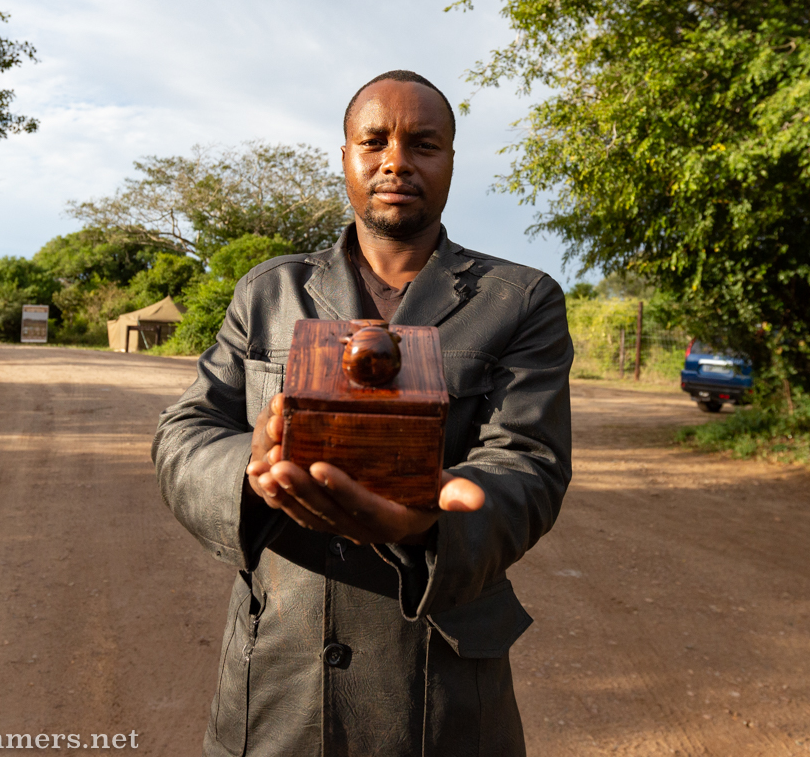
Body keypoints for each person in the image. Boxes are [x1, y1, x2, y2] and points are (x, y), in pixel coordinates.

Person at [152, 70, 573, 757]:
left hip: (440, 695)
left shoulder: (519, 300)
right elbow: (185, 433)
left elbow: (529, 463)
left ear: (451, 161)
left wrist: (429, 523)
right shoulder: (268, 292)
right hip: (278, 684)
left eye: (423, 143)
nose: (396, 161)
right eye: (374, 141)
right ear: (346, 155)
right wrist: (251, 472)